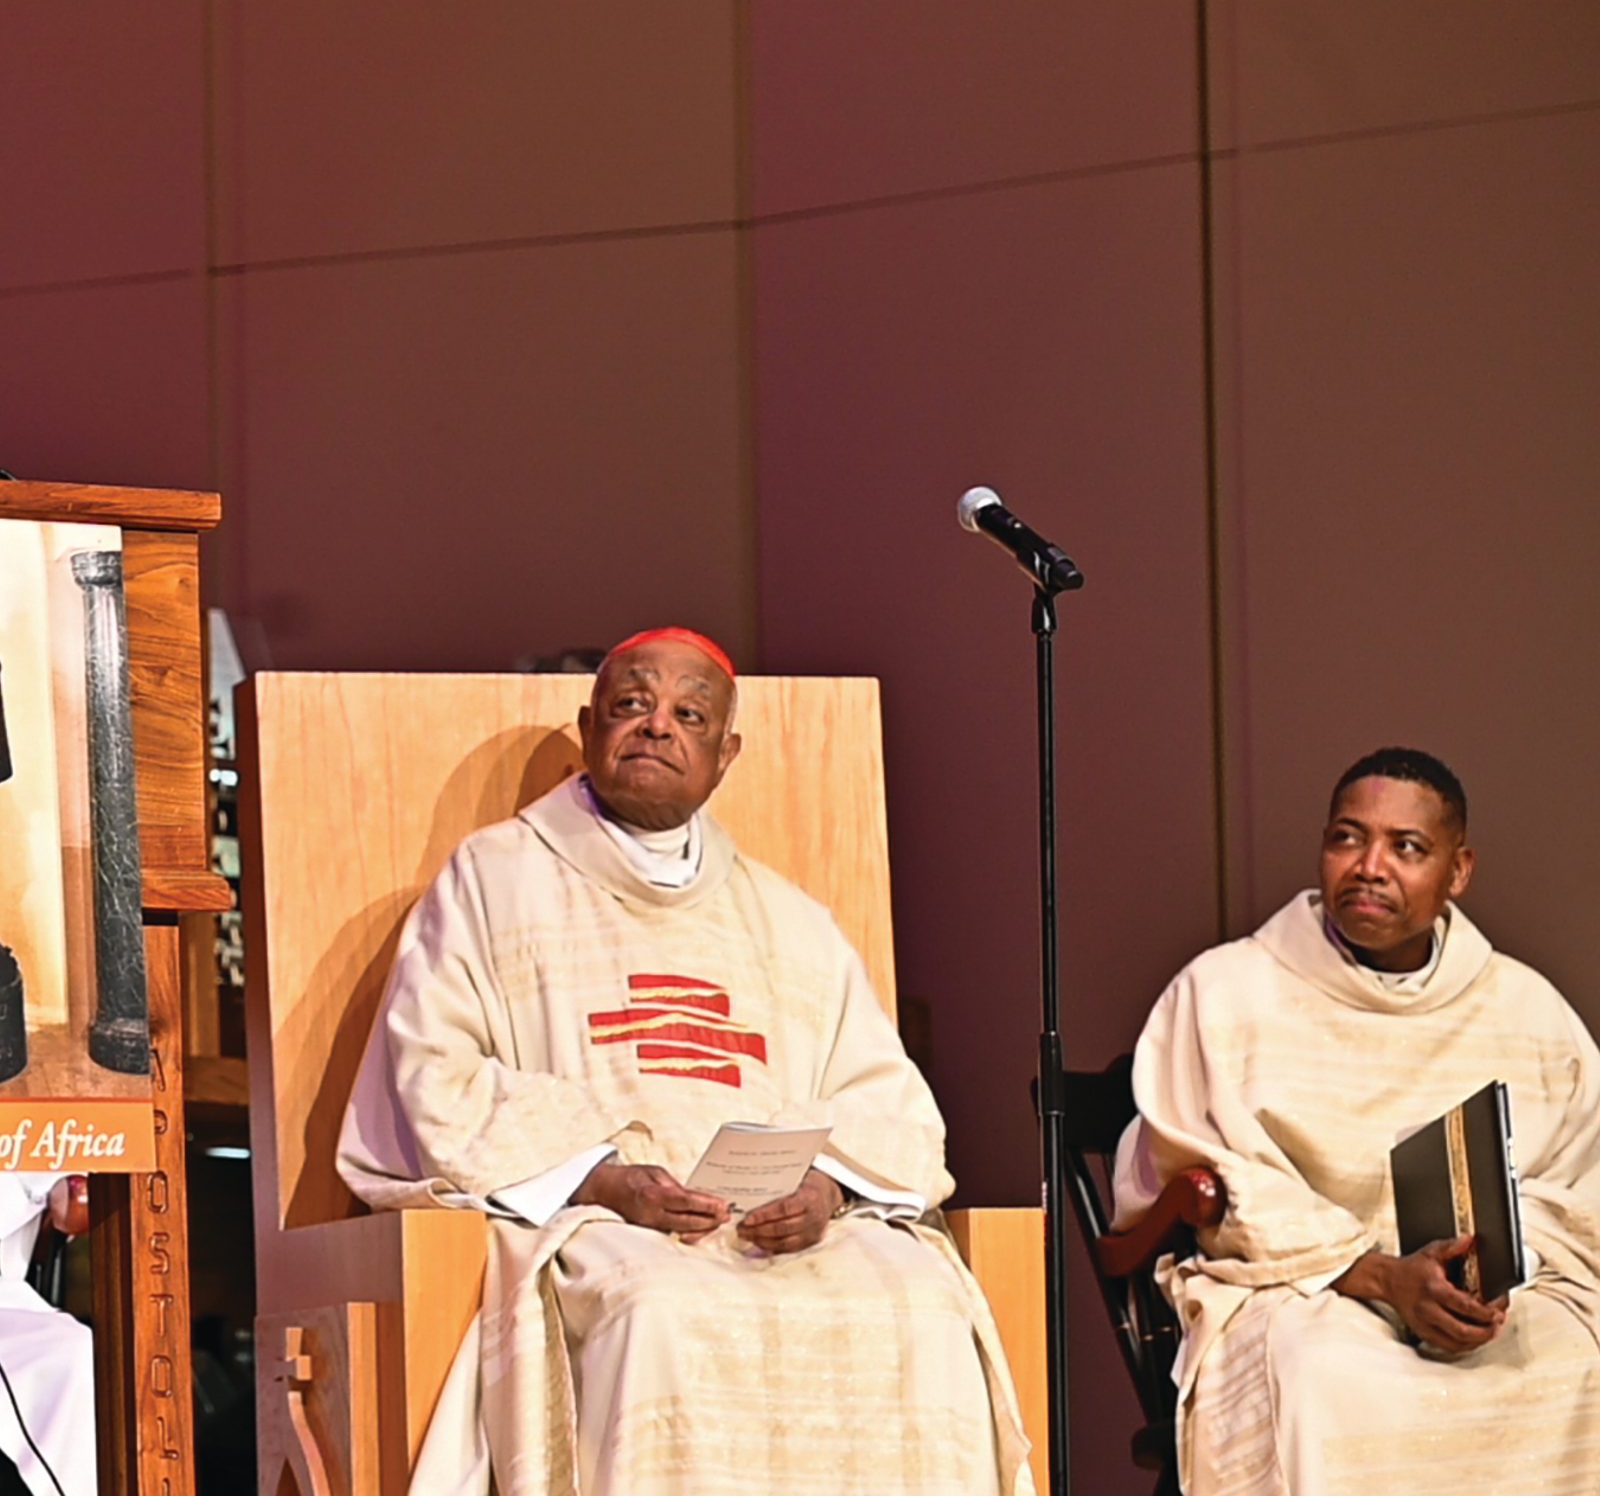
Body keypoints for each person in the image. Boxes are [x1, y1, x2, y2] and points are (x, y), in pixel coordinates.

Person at [338, 627, 1032, 1496]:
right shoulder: (493, 877)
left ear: (725, 754)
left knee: (926, 1312)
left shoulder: (789, 917)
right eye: (633, 705)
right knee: (657, 1313)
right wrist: (601, 1179)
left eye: (689, 714)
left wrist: (826, 1187)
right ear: (590, 728)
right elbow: (434, 1074)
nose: (657, 727)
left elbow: (887, 1104)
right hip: (604, 1221)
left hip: (784, 1224)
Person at [1113, 747, 1600, 1495]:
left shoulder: (1525, 1010)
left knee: (1576, 1361)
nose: (1370, 865)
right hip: (1308, 1291)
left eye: (1406, 847)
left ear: (1458, 871)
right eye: (1348, 837)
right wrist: (1380, 1277)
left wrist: (1486, 1273)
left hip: (1486, 1303)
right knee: (1325, 1374)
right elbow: (1211, 1173)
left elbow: (1580, 1187)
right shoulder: (1225, 991)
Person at [0, 1172, 95, 1496]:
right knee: (68, 1354)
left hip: (10, 1300)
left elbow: (72, 1205)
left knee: (77, 1350)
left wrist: (65, 1189)